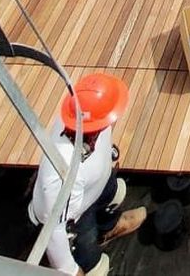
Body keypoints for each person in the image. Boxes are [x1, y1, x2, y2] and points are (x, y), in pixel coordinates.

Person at [29, 72, 146, 276]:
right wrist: (71, 270)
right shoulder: (61, 174)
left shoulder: (87, 120)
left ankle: (110, 225)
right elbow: (55, 231)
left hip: (94, 184)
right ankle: (91, 258)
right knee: (87, 248)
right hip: (75, 218)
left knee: (108, 194)